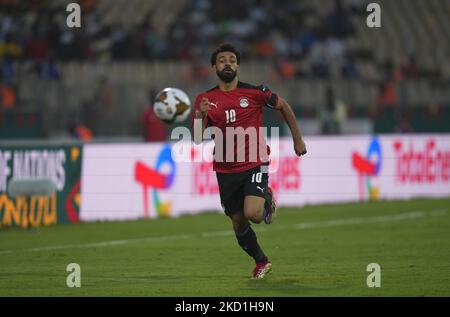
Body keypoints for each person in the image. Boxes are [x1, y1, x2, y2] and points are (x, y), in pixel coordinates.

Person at [191, 43, 307, 279]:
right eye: (222, 60)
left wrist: (298, 139)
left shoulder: (255, 93)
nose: (228, 63)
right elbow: (196, 139)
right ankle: (262, 261)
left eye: (232, 60)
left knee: (254, 214)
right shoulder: (205, 99)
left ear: (238, 66)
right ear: (214, 66)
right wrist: (198, 115)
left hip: (255, 162)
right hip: (225, 168)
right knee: (238, 221)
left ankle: (265, 199)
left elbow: (283, 105)